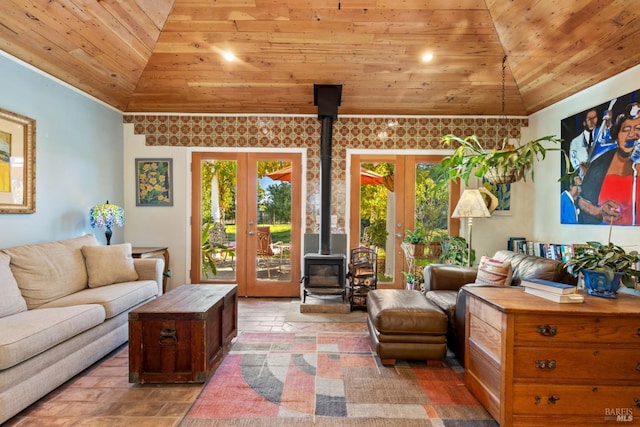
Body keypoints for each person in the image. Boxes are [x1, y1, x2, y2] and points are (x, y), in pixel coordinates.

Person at [578, 103, 640, 225]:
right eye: (626, 130)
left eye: (638, 129)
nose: (631, 134)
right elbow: (580, 200)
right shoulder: (600, 163)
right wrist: (597, 211)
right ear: (617, 137)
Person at [569, 108, 614, 177]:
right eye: (589, 119)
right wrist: (582, 170)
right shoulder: (575, 142)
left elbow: (610, 144)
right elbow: (575, 164)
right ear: (584, 122)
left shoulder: (602, 134)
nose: (592, 121)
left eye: (594, 118)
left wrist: (608, 124)